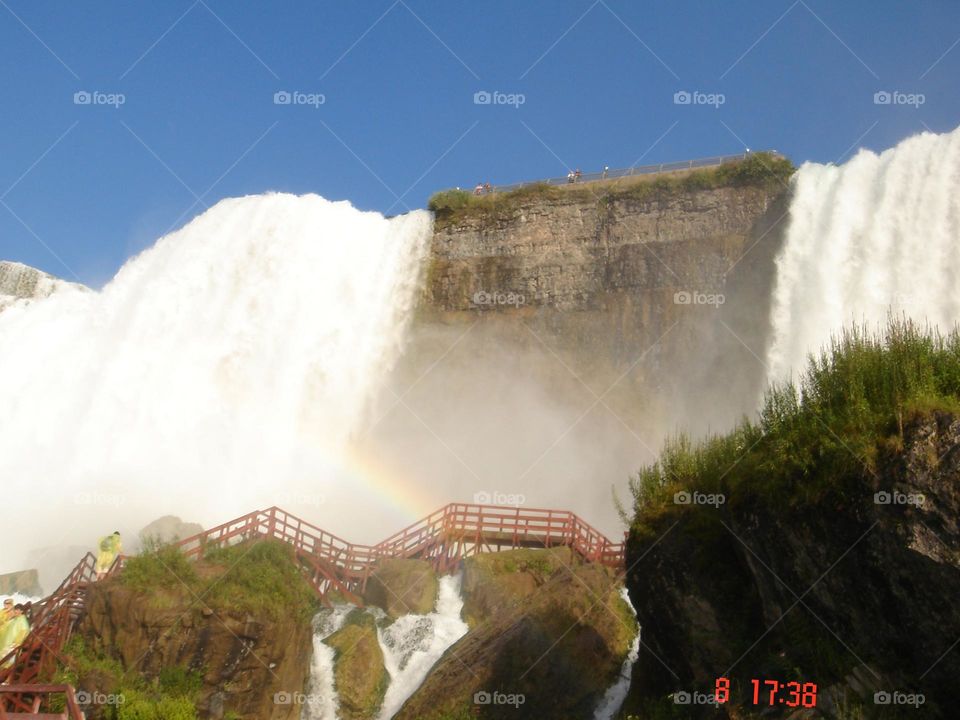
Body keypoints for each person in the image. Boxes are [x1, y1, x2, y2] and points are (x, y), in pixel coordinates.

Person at [0, 604, 29, 668]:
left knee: (6, 660)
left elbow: (24, 631)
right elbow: (5, 626)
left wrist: (17, 643)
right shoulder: (15, 619)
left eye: (18, 610)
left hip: (13, 645)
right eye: (15, 609)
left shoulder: (22, 620)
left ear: (21, 611)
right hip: (7, 643)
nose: (16, 611)